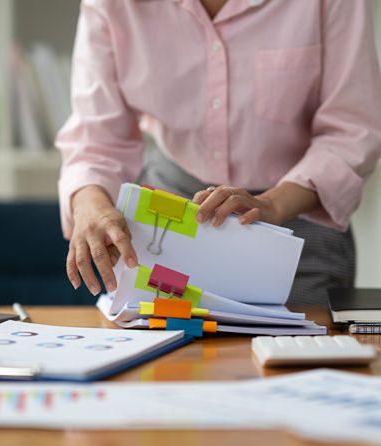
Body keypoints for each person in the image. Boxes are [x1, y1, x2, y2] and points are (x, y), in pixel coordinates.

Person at [56, 0, 381, 305]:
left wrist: (272, 204)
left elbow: (352, 130)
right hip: (168, 224)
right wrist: (90, 205)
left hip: (297, 223)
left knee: (295, 357)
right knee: (171, 363)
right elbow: (97, 138)